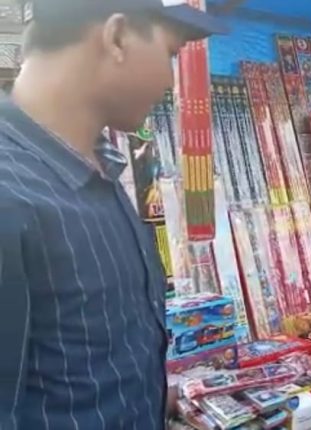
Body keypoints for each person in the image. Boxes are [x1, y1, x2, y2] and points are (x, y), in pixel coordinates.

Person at [0, 0, 225, 428]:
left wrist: (150, 394)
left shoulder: (100, 170)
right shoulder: (9, 197)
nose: (170, 80)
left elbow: (87, 364)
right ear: (117, 37)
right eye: (170, 53)